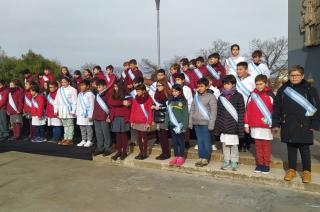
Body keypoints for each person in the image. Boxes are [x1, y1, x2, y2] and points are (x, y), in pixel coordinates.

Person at [272, 65, 320, 183]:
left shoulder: (309, 89)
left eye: (297, 75)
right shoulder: (283, 89)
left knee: (304, 148)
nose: (294, 77)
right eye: (292, 75)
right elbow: (277, 107)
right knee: (291, 148)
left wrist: (314, 124)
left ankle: (306, 171)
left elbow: (316, 107)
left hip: (305, 124)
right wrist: (276, 123)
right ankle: (291, 170)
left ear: (302, 76)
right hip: (288, 123)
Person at [244, 74, 274, 174]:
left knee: (266, 146)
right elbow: (247, 110)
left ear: (265, 84)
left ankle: (266, 164)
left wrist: (275, 124)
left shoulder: (270, 95)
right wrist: (246, 124)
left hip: (266, 126)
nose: (259, 86)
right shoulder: (252, 95)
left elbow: (275, 111)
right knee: (258, 146)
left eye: (261, 84)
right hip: (255, 125)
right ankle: (260, 163)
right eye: (257, 84)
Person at [214, 75, 245, 171]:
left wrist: (240, 126)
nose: (226, 86)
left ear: (233, 84)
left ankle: (234, 161)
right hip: (223, 125)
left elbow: (241, 112)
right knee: (225, 144)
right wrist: (218, 127)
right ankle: (226, 160)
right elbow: (219, 113)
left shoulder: (239, 96)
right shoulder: (221, 97)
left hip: (234, 125)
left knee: (234, 145)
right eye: (225, 84)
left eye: (228, 84)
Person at [189, 78, 217, 167]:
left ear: (207, 87)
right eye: (198, 86)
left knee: (206, 141)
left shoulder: (211, 96)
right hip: (196, 123)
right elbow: (192, 109)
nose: (199, 88)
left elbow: (214, 111)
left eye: (202, 86)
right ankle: (200, 157)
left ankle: (205, 158)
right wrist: (190, 122)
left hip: (206, 123)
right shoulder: (196, 96)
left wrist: (212, 124)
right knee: (200, 141)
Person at [165, 84, 189, 167]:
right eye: (173, 91)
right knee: (174, 142)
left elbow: (185, 114)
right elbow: (167, 113)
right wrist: (166, 124)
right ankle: (176, 156)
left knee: (180, 141)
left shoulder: (183, 101)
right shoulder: (170, 101)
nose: (174, 93)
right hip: (172, 125)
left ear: (180, 92)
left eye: (176, 91)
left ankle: (181, 157)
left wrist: (185, 126)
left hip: (180, 125)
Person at [108, 80, 132, 160]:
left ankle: (124, 152)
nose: (115, 88)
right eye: (114, 86)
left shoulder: (127, 95)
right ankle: (119, 152)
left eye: (116, 86)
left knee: (123, 135)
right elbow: (111, 102)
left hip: (123, 117)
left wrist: (120, 103)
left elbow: (129, 103)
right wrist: (121, 102)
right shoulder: (113, 94)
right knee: (117, 135)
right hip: (115, 117)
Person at [236, 62, 255, 152]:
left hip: (248, 105)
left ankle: (247, 143)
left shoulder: (252, 79)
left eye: (240, 69)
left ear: (246, 70)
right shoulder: (235, 80)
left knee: (247, 124)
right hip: (237, 106)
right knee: (239, 124)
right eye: (237, 69)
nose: (238, 71)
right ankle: (239, 143)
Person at [130, 84, 153, 160]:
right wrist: (132, 121)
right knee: (139, 138)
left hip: (144, 121)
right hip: (136, 121)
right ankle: (141, 151)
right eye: (137, 91)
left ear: (143, 91)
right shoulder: (135, 99)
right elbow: (133, 110)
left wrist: (149, 122)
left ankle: (145, 153)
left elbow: (150, 111)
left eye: (139, 91)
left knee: (144, 138)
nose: (137, 93)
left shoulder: (149, 99)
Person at [54, 77, 78, 146]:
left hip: (69, 110)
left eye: (64, 82)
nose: (63, 83)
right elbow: (56, 100)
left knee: (70, 124)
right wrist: (56, 110)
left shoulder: (73, 90)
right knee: (65, 125)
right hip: (61, 110)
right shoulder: (59, 90)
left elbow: (74, 101)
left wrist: (73, 110)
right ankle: (65, 138)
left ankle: (70, 139)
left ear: (68, 82)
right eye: (62, 82)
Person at [92, 79, 113, 156]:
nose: (98, 89)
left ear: (104, 86)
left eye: (100, 87)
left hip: (104, 117)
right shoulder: (97, 95)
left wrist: (109, 116)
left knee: (106, 133)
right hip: (96, 116)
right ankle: (100, 148)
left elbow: (111, 107)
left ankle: (108, 148)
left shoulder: (108, 94)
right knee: (98, 133)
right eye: (97, 87)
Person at [152, 78, 171, 160]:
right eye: (157, 86)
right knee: (160, 136)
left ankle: (166, 154)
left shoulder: (167, 94)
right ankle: (163, 152)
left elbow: (168, 106)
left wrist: (158, 107)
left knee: (164, 136)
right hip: (157, 117)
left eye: (159, 86)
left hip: (164, 117)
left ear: (164, 85)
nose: (158, 87)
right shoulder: (156, 94)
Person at [175, 73, 193, 148]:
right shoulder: (174, 89)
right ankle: (178, 141)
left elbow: (190, 101)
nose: (177, 81)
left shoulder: (187, 89)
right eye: (176, 80)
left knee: (185, 127)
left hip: (185, 110)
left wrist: (186, 111)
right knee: (176, 126)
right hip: (176, 111)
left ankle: (186, 141)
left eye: (178, 80)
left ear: (183, 80)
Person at [76, 79, 95, 148]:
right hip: (80, 114)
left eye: (83, 85)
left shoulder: (90, 94)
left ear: (88, 86)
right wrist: (77, 113)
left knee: (88, 127)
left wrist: (91, 115)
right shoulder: (79, 94)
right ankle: (83, 139)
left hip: (87, 114)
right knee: (82, 127)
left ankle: (89, 140)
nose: (81, 87)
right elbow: (77, 104)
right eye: (80, 85)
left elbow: (92, 105)